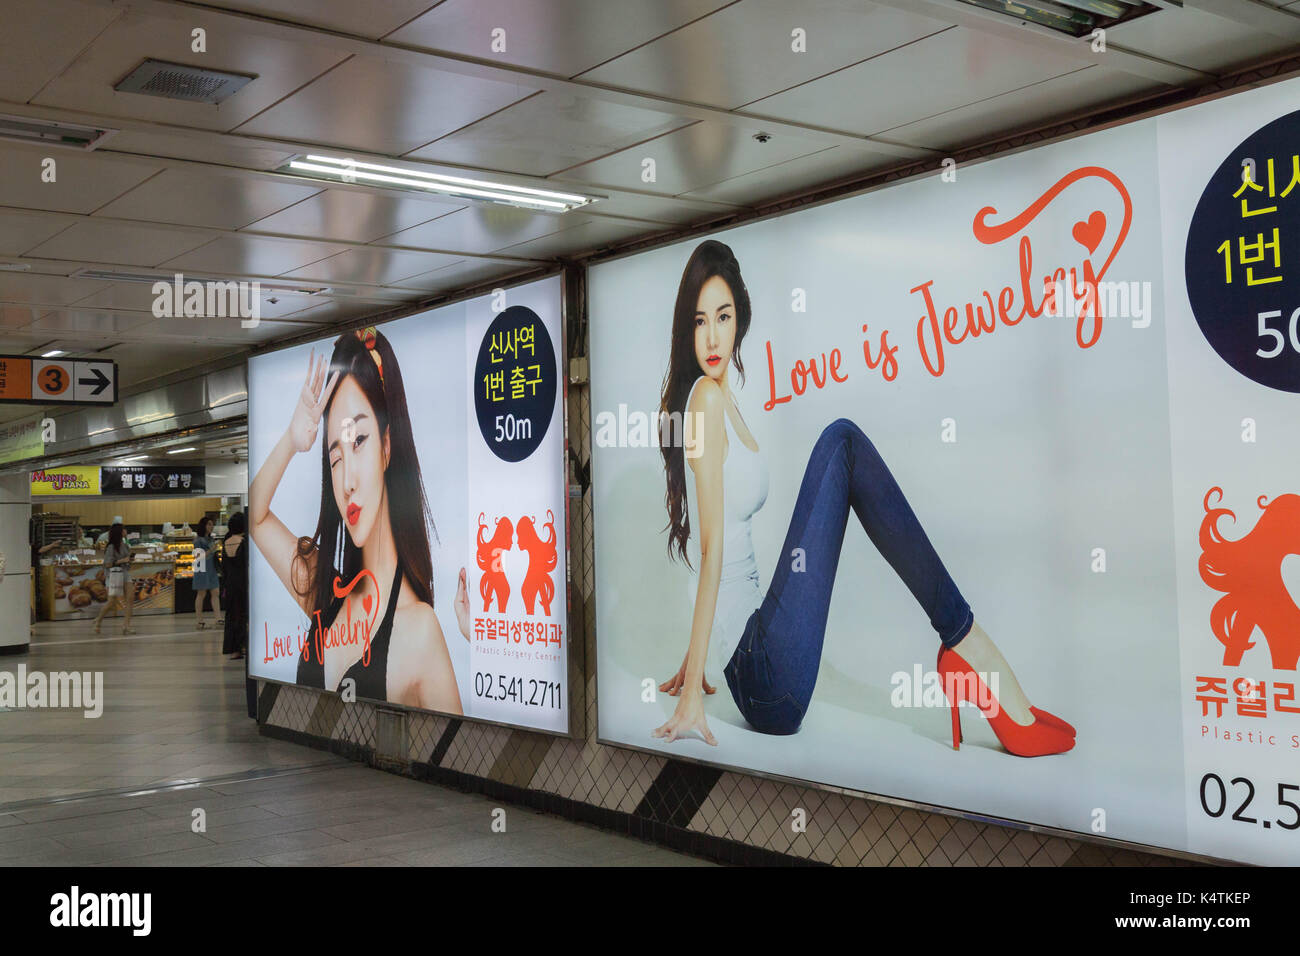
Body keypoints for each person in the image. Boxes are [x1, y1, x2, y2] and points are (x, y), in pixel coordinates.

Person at [653, 240, 1075, 757]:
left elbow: (709, 531)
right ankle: (968, 644)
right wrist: (694, 685)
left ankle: (966, 642)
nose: (713, 336)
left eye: (723, 316)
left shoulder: (720, 397)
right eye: (699, 321)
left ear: (740, 318)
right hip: (765, 680)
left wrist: (698, 655)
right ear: (685, 329)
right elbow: (713, 546)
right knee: (842, 442)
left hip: (758, 662)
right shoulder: (706, 400)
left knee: (842, 443)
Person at [248, 327, 469, 712]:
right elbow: (256, 516)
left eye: (359, 442)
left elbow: (461, 756)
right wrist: (291, 439)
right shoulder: (327, 594)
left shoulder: (420, 629)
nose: (347, 481)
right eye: (335, 459)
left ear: (386, 446)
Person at [93, 522, 135, 635]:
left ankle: (126, 625)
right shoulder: (111, 547)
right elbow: (107, 564)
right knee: (111, 602)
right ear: (119, 532)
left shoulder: (125, 545)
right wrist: (123, 560)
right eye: (124, 529)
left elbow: (126, 560)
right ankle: (98, 620)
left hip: (125, 573)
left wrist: (129, 560)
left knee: (130, 599)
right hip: (114, 575)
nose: (126, 531)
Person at [222, 513, 248, 661]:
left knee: (231, 616)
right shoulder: (244, 542)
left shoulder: (226, 542)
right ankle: (243, 645)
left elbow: (224, 567)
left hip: (230, 585)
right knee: (242, 615)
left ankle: (233, 650)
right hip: (242, 584)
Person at [191, 516, 223, 630]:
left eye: (212, 524)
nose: (211, 526)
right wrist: (212, 549)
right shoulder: (198, 540)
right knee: (201, 593)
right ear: (203, 526)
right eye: (209, 524)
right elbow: (198, 556)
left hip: (211, 569)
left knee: (215, 592)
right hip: (201, 569)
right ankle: (199, 620)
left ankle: (218, 618)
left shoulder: (210, 539)